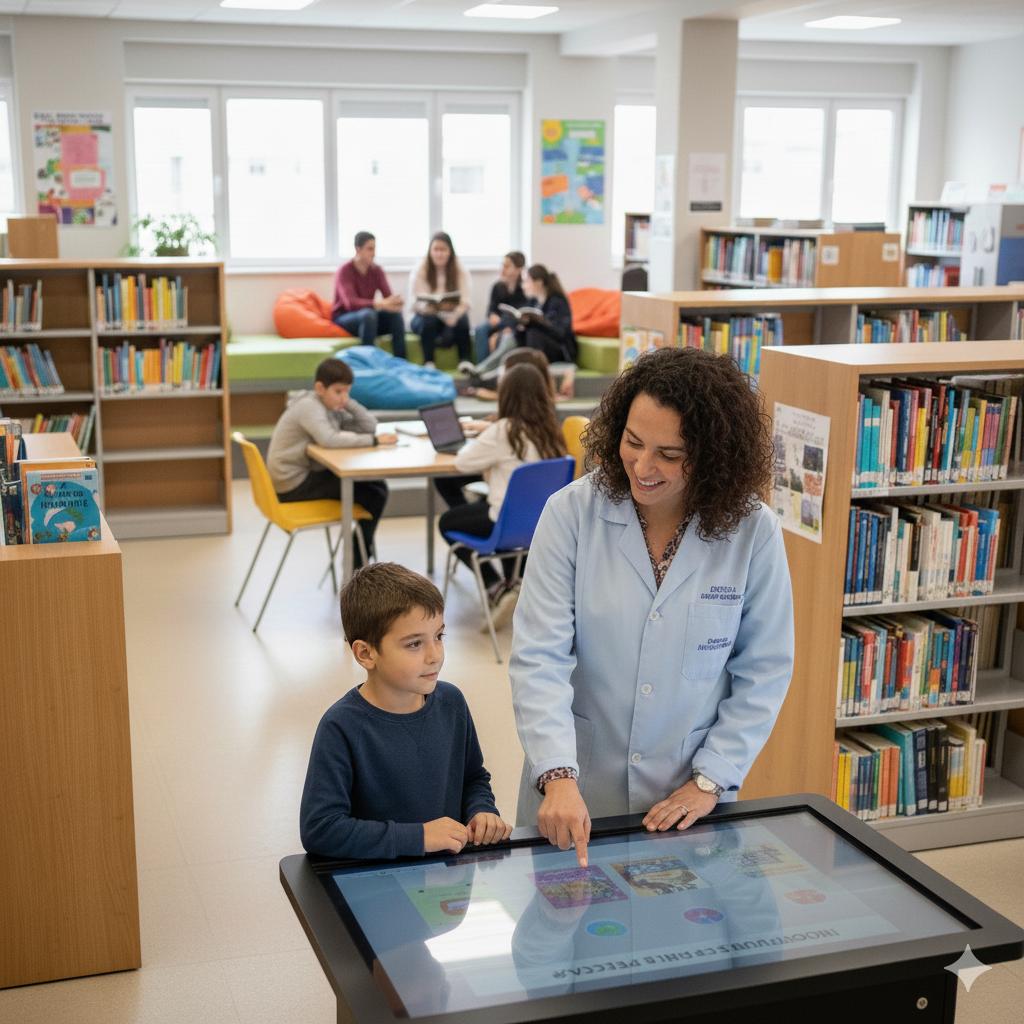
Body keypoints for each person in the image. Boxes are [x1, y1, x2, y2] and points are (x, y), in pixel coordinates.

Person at [509, 347, 794, 867]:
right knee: (562, 939)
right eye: (633, 442)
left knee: (684, 936)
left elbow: (765, 669)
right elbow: (539, 657)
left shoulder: (752, 531)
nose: (643, 466)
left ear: (712, 454)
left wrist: (710, 779)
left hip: (688, 797)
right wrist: (557, 774)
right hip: (572, 794)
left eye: (669, 453)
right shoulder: (571, 515)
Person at [299, 562, 513, 859]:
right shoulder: (341, 726)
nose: (434, 655)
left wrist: (482, 811)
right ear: (365, 653)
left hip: (449, 888)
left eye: (439, 636)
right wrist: (419, 837)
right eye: (414, 644)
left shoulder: (452, 703)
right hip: (378, 889)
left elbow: (473, 778)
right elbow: (321, 829)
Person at [439, 362, 566, 626]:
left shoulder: (504, 430)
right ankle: (513, 580)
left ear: (505, 395)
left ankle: (494, 585)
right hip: (541, 525)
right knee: (479, 503)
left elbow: (462, 463)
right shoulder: (552, 429)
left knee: (447, 522)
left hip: (503, 523)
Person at [266, 357, 396, 568]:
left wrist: (348, 401)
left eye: (348, 391)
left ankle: (359, 554)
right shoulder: (309, 407)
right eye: (338, 391)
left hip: (304, 475)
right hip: (293, 484)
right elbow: (329, 439)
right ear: (319, 388)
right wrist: (373, 441)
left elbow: (370, 425)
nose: (343, 398)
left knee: (378, 486)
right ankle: (357, 561)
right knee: (374, 494)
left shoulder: (328, 406)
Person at [460, 264, 576, 398]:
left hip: (559, 350)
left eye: (526, 281)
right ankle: (485, 372)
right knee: (516, 336)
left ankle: (487, 375)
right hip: (537, 346)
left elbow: (560, 333)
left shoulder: (558, 301)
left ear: (538, 282)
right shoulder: (534, 301)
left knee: (532, 334)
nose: (523, 285)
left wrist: (540, 323)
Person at [330, 231, 407, 358]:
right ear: (358, 249)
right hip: (344, 317)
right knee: (368, 314)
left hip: (368, 319)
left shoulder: (376, 270)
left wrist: (395, 303)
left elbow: (387, 297)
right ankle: (369, 363)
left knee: (395, 316)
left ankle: (402, 362)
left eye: (374, 248)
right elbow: (350, 303)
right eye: (370, 249)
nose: (374, 253)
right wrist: (380, 304)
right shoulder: (344, 271)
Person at [410, 232, 473, 367]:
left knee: (463, 320)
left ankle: (465, 361)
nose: (439, 254)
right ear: (430, 251)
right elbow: (415, 302)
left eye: (443, 249)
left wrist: (454, 315)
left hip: (451, 317)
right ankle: (429, 362)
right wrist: (432, 308)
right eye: (436, 249)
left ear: (450, 251)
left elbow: (465, 301)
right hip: (425, 317)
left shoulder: (459, 269)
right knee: (429, 322)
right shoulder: (420, 269)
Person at [473, 251, 527, 362]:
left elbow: (522, 316)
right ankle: (482, 367)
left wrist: (500, 330)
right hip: (497, 322)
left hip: (514, 325)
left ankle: (494, 369)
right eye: (502, 265)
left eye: (507, 266)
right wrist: (492, 315)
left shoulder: (525, 289)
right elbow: (491, 309)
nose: (502, 269)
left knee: (503, 336)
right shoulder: (497, 287)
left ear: (519, 269)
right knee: (480, 329)